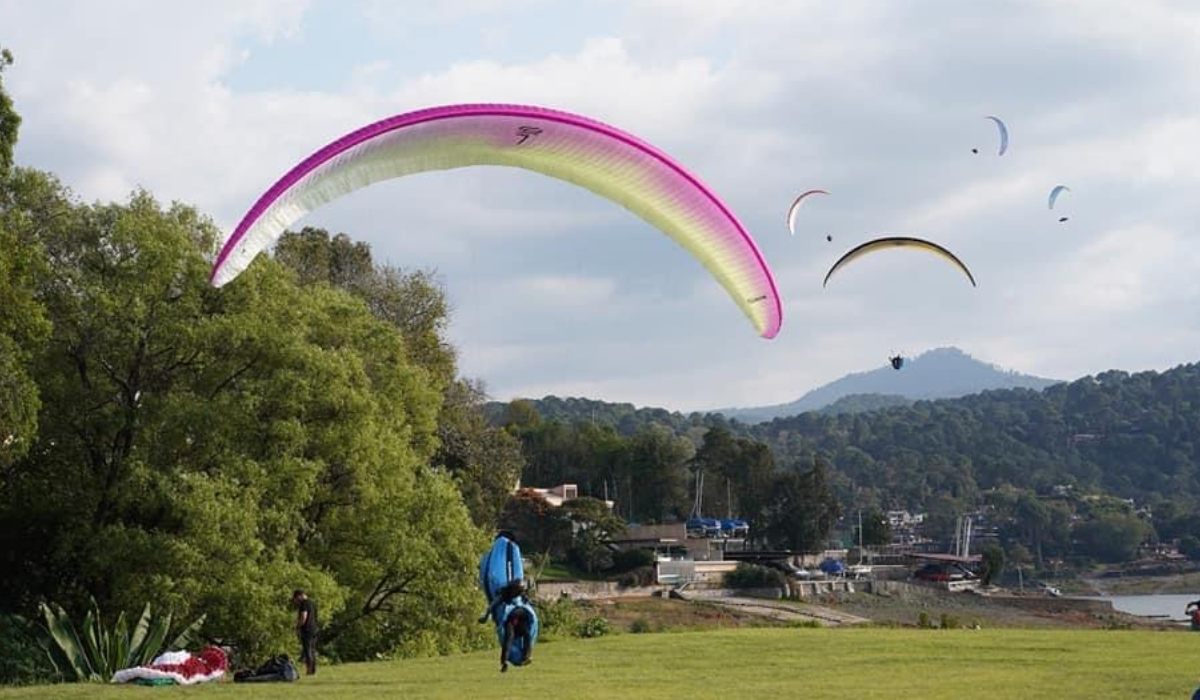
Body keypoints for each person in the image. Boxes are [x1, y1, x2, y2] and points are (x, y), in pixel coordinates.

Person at [499, 606, 534, 673]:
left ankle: (526, 656)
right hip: (510, 622)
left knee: (527, 634)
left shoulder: (523, 611)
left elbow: (527, 617)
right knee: (509, 638)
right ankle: (504, 662)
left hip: (519, 622)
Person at [292, 589, 318, 675]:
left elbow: (304, 617)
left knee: (307, 650)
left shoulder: (304, 604)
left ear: (299, 596)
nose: (296, 601)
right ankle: (313, 669)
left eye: (296, 599)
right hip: (314, 628)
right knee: (313, 649)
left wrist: (297, 626)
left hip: (307, 630)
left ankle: (309, 670)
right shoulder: (312, 603)